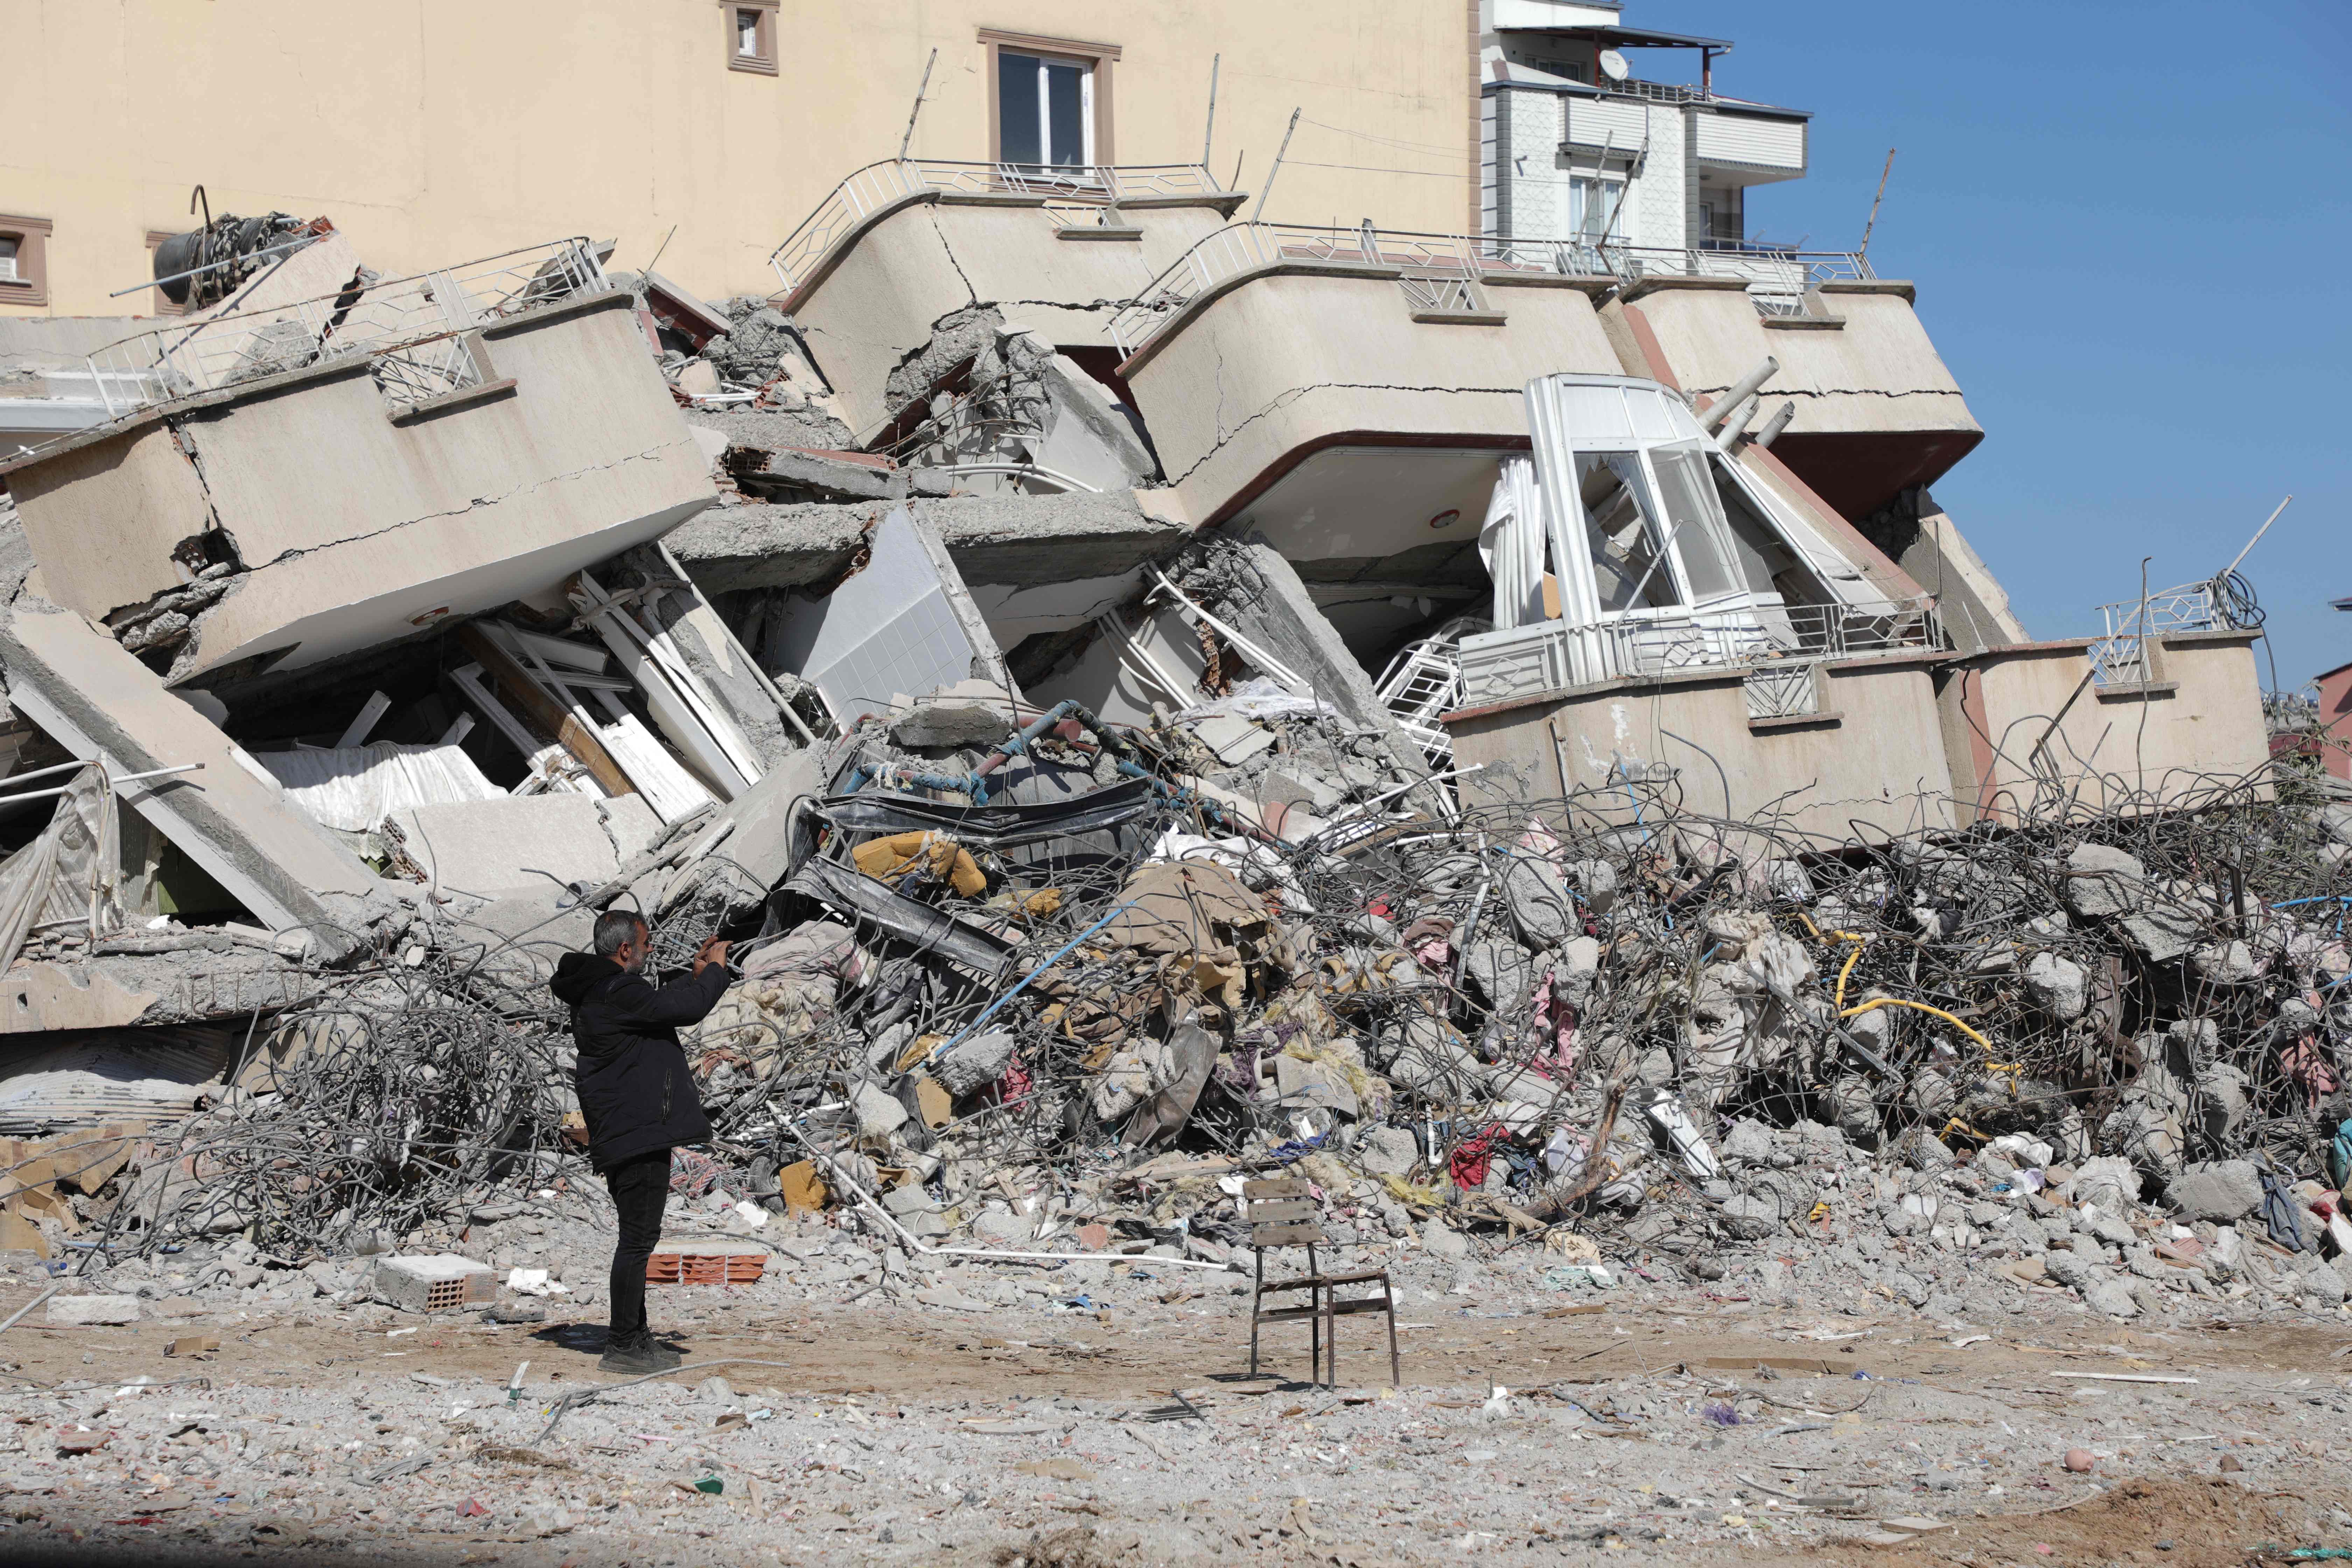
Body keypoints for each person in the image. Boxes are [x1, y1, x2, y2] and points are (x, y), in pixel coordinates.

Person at [550, 910, 733, 1374]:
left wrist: (695, 978)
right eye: (647, 944)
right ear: (625, 949)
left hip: (630, 1130)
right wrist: (714, 972)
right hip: (635, 1134)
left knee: (639, 1239)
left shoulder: (606, 991)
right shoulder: (616, 991)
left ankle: (636, 1338)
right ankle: (623, 1346)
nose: (652, 951)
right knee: (637, 1242)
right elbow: (685, 1011)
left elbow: (656, 1006)